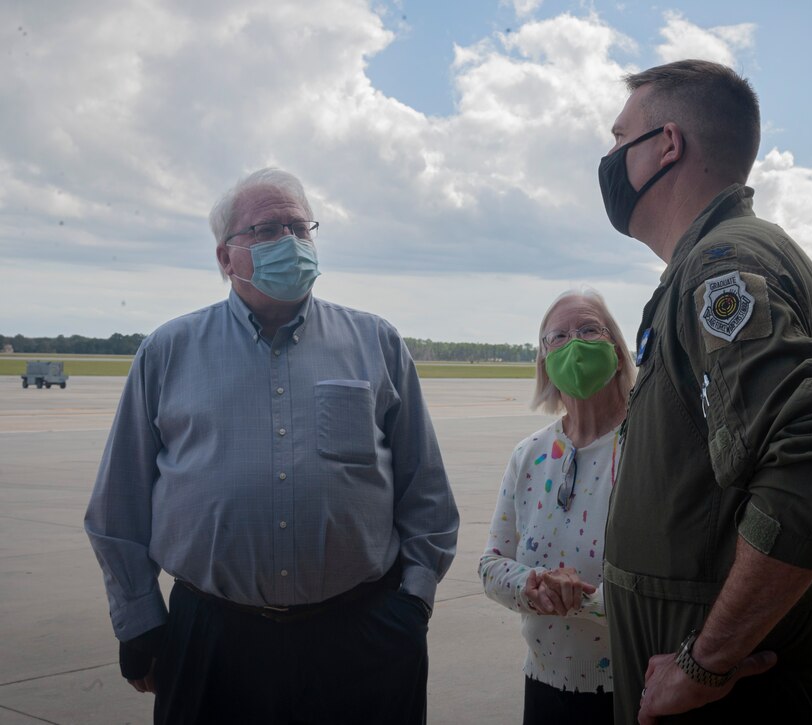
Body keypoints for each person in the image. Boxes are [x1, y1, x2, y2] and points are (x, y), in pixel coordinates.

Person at [84, 167, 459, 724]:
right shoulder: (169, 352)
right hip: (214, 636)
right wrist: (138, 619)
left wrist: (414, 601)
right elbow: (118, 505)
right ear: (224, 257)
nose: (289, 242)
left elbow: (424, 489)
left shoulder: (374, 342)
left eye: (299, 227)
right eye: (265, 230)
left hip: (361, 635)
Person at [598, 60, 812, 723]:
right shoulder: (708, 262)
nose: (608, 159)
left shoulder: (723, 268)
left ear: (666, 143)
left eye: (618, 137)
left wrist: (704, 660)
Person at [479, 289, 635, 724]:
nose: (575, 344)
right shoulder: (530, 455)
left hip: (632, 686)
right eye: (558, 337)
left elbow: (669, 589)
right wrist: (533, 585)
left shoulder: (648, 447)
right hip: (545, 686)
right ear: (544, 362)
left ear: (618, 352)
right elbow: (491, 566)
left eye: (589, 329)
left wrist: (580, 601)